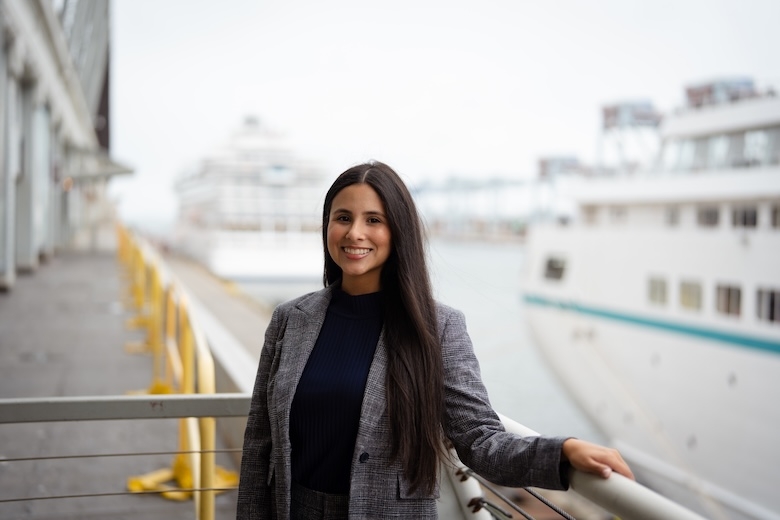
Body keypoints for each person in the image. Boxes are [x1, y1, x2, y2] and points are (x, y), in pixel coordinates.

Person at [237, 161, 633, 520]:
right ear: (327, 226)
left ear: (398, 231)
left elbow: (479, 440)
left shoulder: (438, 327)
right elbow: (260, 444)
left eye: (374, 219)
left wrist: (561, 453)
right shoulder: (290, 320)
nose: (355, 232)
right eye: (343, 217)